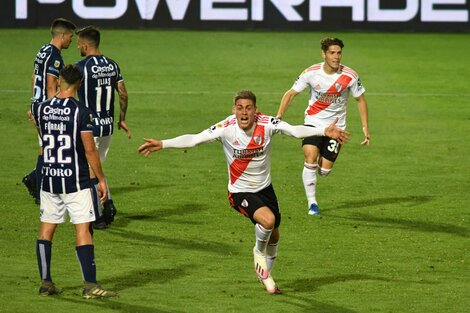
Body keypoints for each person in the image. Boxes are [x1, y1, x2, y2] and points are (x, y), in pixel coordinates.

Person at [138, 90, 350, 294]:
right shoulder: (226, 127)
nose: (244, 112)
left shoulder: (267, 124)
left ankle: (267, 275)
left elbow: (295, 131)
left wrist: (323, 131)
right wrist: (163, 144)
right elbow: (194, 139)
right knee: (267, 222)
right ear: (234, 110)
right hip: (239, 193)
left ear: (256, 110)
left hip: (265, 189)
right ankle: (258, 253)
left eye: (248, 108)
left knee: (275, 234)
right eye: (240, 108)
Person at [31, 64, 117, 298]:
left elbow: (40, 129)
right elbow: (90, 150)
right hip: (75, 180)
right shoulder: (81, 112)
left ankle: (45, 283)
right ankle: (90, 285)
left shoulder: (41, 108)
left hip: (49, 178)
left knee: (46, 228)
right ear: (79, 85)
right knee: (83, 229)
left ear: (59, 81)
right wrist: (100, 179)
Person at [276, 37, 370, 216]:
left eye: (339, 53)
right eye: (332, 53)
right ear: (324, 54)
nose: (336, 57)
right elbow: (291, 94)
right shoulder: (311, 73)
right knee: (310, 157)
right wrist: (279, 116)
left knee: (324, 171)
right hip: (313, 123)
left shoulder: (350, 75)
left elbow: (361, 99)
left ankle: (317, 169)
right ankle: (312, 203)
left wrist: (365, 127)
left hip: (336, 129)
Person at [75, 25, 131, 229]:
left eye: (79, 44)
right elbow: (123, 94)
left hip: (89, 128)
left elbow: (68, 92)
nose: (78, 47)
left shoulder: (80, 67)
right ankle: (108, 205)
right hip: (107, 127)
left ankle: (100, 211)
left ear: (85, 45)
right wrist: (122, 118)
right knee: (95, 167)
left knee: (89, 170)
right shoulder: (112, 65)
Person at [23, 18, 77, 204]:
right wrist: (54, 109)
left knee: (46, 147)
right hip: (46, 107)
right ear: (62, 35)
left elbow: (34, 77)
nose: (71, 40)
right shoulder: (54, 56)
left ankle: (34, 180)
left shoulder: (42, 50)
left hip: (38, 104)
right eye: (70, 36)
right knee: (48, 149)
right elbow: (51, 85)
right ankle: (38, 187)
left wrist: (33, 104)